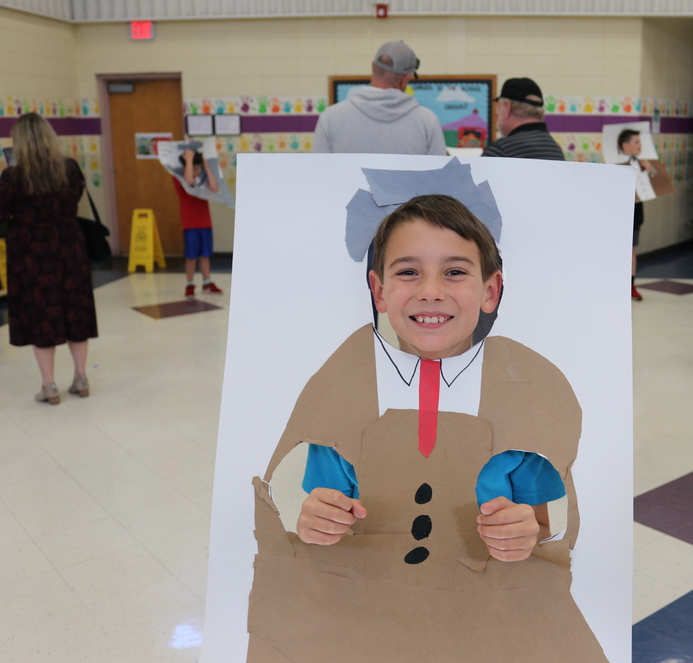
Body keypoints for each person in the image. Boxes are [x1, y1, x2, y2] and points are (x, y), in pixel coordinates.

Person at [246, 194, 606, 661]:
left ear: (491, 290)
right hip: (358, 606)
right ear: (378, 291)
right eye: (408, 272)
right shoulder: (345, 370)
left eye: (454, 272)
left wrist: (533, 527)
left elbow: (554, 497)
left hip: (490, 612)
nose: (430, 290)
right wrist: (306, 512)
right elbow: (290, 476)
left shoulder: (532, 379)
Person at [0, 112, 97, 403]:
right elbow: (75, 197)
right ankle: (81, 377)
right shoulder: (70, 168)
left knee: (42, 315)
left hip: (31, 254)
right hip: (69, 246)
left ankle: (49, 385)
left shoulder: (13, 176)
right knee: (75, 309)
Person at [312, 40, 447, 155]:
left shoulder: (330, 118)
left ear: (372, 66)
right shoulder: (427, 122)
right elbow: (438, 178)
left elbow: (318, 174)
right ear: (405, 78)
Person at [172, 148, 222, 298]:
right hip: (190, 224)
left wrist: (205, 164)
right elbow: (188, 181)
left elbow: (214, 188)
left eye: (198, 169)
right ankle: (190, 284)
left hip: (205, 223)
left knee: (205, 255)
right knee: (191, 256)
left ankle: (207, 282)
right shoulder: (179, 178)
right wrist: (188, 160)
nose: (196, 172)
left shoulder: (202, 179)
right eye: (193, 169)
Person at [482, 77, 565, 160]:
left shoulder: (500, 151)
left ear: (507, 107)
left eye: (499, 107)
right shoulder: (555, 150)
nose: (497, 114)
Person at [617, 128, 656, 301]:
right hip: (617, 212)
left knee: (632, 249)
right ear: (625, 145)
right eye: (636, 142)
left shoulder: (641, 164)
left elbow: (655, 185)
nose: (640, 145)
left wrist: (650, 170)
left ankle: (631, 285)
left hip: (636, 211)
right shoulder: (614, 163)